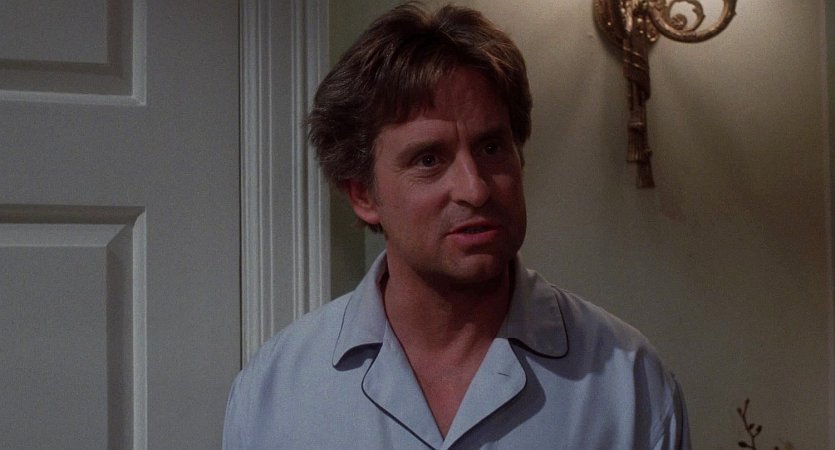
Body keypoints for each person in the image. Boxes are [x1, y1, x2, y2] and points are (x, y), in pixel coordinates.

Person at [223, 3, 690, 449]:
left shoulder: (626, 380)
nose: (475, 188)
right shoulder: (277, 391)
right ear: (363, 195)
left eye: (491, 148)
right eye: (429, 159)